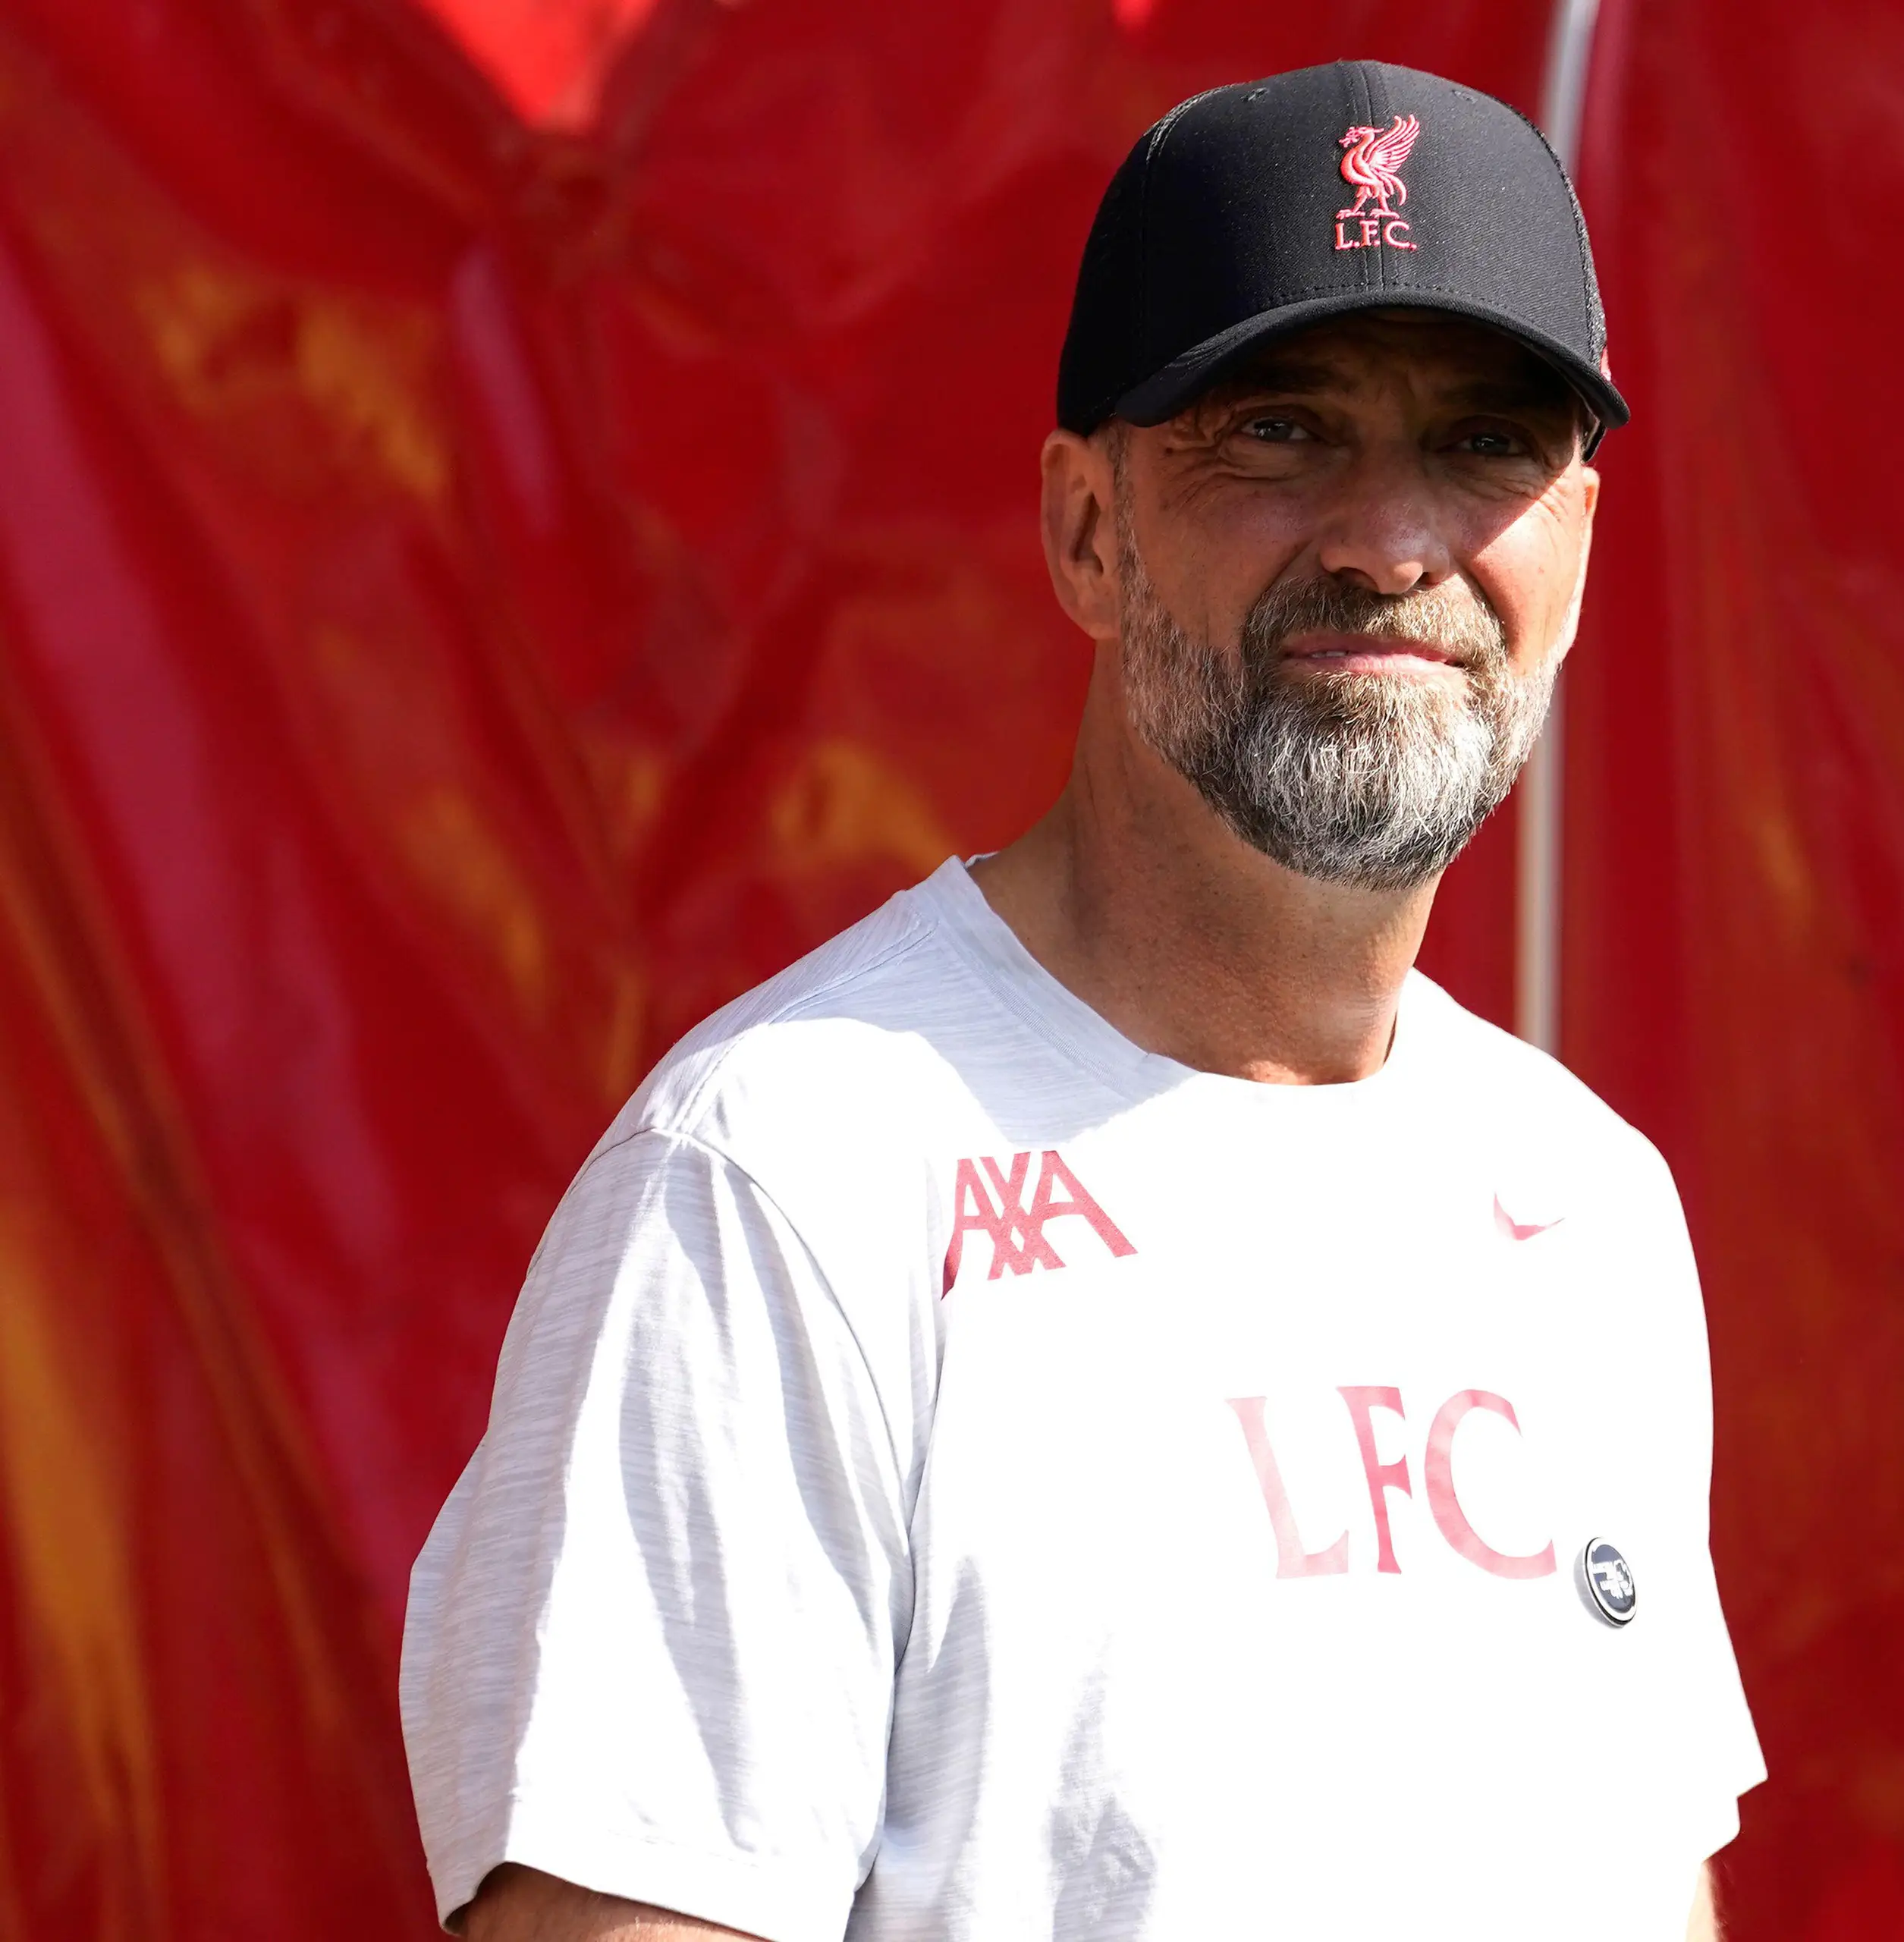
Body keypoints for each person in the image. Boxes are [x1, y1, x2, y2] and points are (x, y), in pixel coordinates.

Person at [400, 58, 1761, 1942]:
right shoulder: (783, 1185)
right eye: (1279, 428)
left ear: (1584, 547)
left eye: (1485, 442)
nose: (1390, 539)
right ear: (1088, 533)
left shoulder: (1587, 1204)